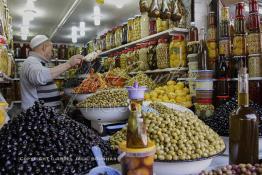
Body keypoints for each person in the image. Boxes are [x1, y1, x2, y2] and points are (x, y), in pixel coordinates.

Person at [20, 35, 83, 111]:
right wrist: (68, 64)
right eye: (51, 50)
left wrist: (59, 95)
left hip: (45, 114)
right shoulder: (31, 62)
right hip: (38, 116)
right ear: (44, 47)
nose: (52, 53)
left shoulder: (38, 63)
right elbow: (40, 77)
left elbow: (41, 88)